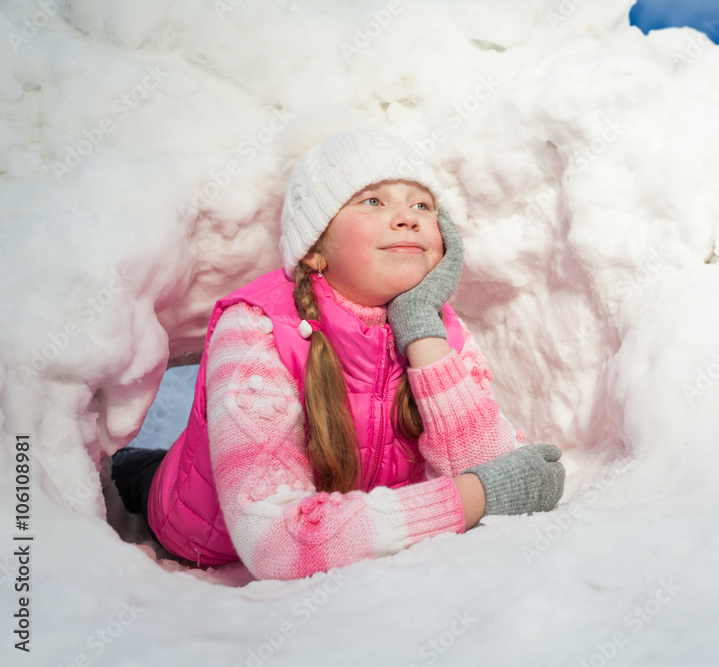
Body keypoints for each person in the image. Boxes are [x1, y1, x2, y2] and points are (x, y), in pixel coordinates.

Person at [110, 129, 565, 580]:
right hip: (198, 524)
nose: (407, 217)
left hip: (352, 505)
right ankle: (133, 465)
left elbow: (487, 465)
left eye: (422, 205)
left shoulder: (438, 325)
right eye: (373, 201)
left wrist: (420, 328)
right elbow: (276, 545)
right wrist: (473, 498)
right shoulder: (256, 327)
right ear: (315, 250)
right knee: (141, 475)